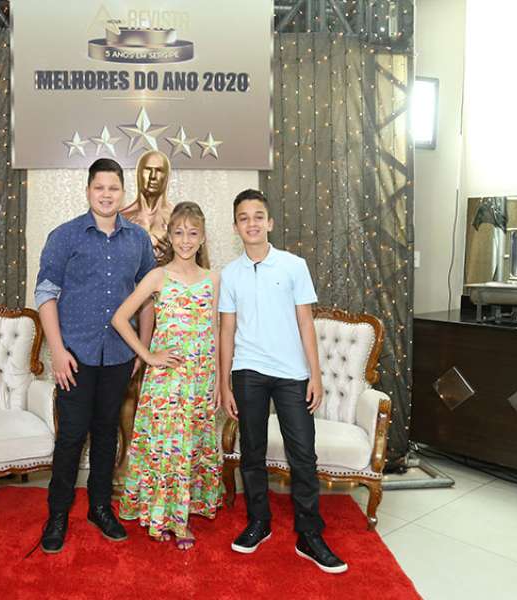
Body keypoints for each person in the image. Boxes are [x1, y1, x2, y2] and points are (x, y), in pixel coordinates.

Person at [218, 189, 347, 573]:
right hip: (248, 371)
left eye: (258, 216)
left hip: (292, 374)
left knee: (303, 454)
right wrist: (223, 383)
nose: (252, 223)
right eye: (244, 218)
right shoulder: (230, 274)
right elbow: (227, 331)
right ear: (236, 227)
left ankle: (309, 534)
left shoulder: (294, 266)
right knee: (252, 452)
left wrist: (315, 375)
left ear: (270, 222)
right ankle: (259, 522)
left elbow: (306, 322)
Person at [34, 158, 157, 554]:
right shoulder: (65, 236)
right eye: (99, 187)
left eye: (113, 188)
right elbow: (45, 294)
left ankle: (100, 508)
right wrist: (56, 350)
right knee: (71, 436)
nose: (106, 195)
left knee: (107, 433)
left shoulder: (138, 240)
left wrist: (142, 350)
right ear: (88, 191)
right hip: (75, 355)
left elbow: (148, 298)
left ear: (123, 192)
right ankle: (58, 514)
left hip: (119, 356)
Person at [112, 201, 221, 550]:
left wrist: (221, 381)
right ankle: (167, 518)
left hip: (200, 379)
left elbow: (216, 331)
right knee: (166, 447)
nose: (186, 240)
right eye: (179, 233)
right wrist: (147, 356)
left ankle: (181, 514)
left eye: (192, 233)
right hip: (166, 381)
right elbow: (120, 318)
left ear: (202, 238)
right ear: (170, 236)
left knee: (189, 447)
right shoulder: (158, 276)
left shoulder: (213, 279)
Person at [120, 150, 173, 260]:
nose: (153, 176)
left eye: (159, 170)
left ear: (167, 176)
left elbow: (200, 264)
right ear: (138, 174)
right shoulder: (121, 218)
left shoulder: (177, 218)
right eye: (147, 170)